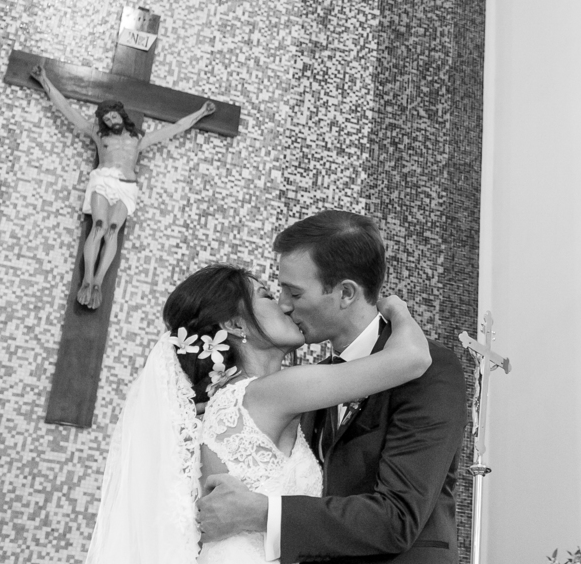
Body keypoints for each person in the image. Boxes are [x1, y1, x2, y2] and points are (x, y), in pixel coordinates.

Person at [82, 263, 432, 564]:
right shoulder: (270, 393)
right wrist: (396, 310)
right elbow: (412, 358)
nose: (285, 305)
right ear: (236, 324)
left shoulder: (235, 401)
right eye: (267, 296)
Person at [196, 211, 469, 564]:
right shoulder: (312, 384)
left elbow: (398, 518)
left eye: (294, 292)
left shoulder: (432, 369)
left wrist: (263, 512)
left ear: (346, 293)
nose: (283, 304)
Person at [31, 64, 217, 308]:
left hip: (126, 185)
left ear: (121, 114)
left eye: (113, 116)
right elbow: (67, 109)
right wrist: (44, 80)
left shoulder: (138, 139)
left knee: (112, 230)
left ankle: (98, 282)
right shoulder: (99, 135)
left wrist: (201, 112)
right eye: (107, 119)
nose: (111, 121)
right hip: (103, 180)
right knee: (99, 225)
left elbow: (175, 128)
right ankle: (87, 279)